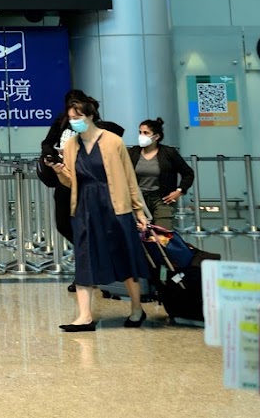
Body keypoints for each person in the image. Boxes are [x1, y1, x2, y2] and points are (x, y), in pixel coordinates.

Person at [49, 92, 150, 330]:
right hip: (84, 206)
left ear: (91, 115)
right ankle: (84, 316)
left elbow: (129, 177)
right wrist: (58, 170)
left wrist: (139, 211)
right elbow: (71, 181)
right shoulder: (71, 145)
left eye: (78, 116)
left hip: (115, 205)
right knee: (84, 258)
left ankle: (137, 309)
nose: (74, 121)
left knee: (124, 256)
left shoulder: (113, 141)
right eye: (71, 117)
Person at [129, 117, 194, 229]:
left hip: (162, 199)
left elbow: (188, 173)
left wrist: (179, 191)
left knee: (162, 233)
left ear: (156, 136)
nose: (141, 136)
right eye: (140, 132)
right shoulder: (133, 152)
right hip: (138, 199)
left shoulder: (169, 153)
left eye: (146, 133)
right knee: (140, 234)